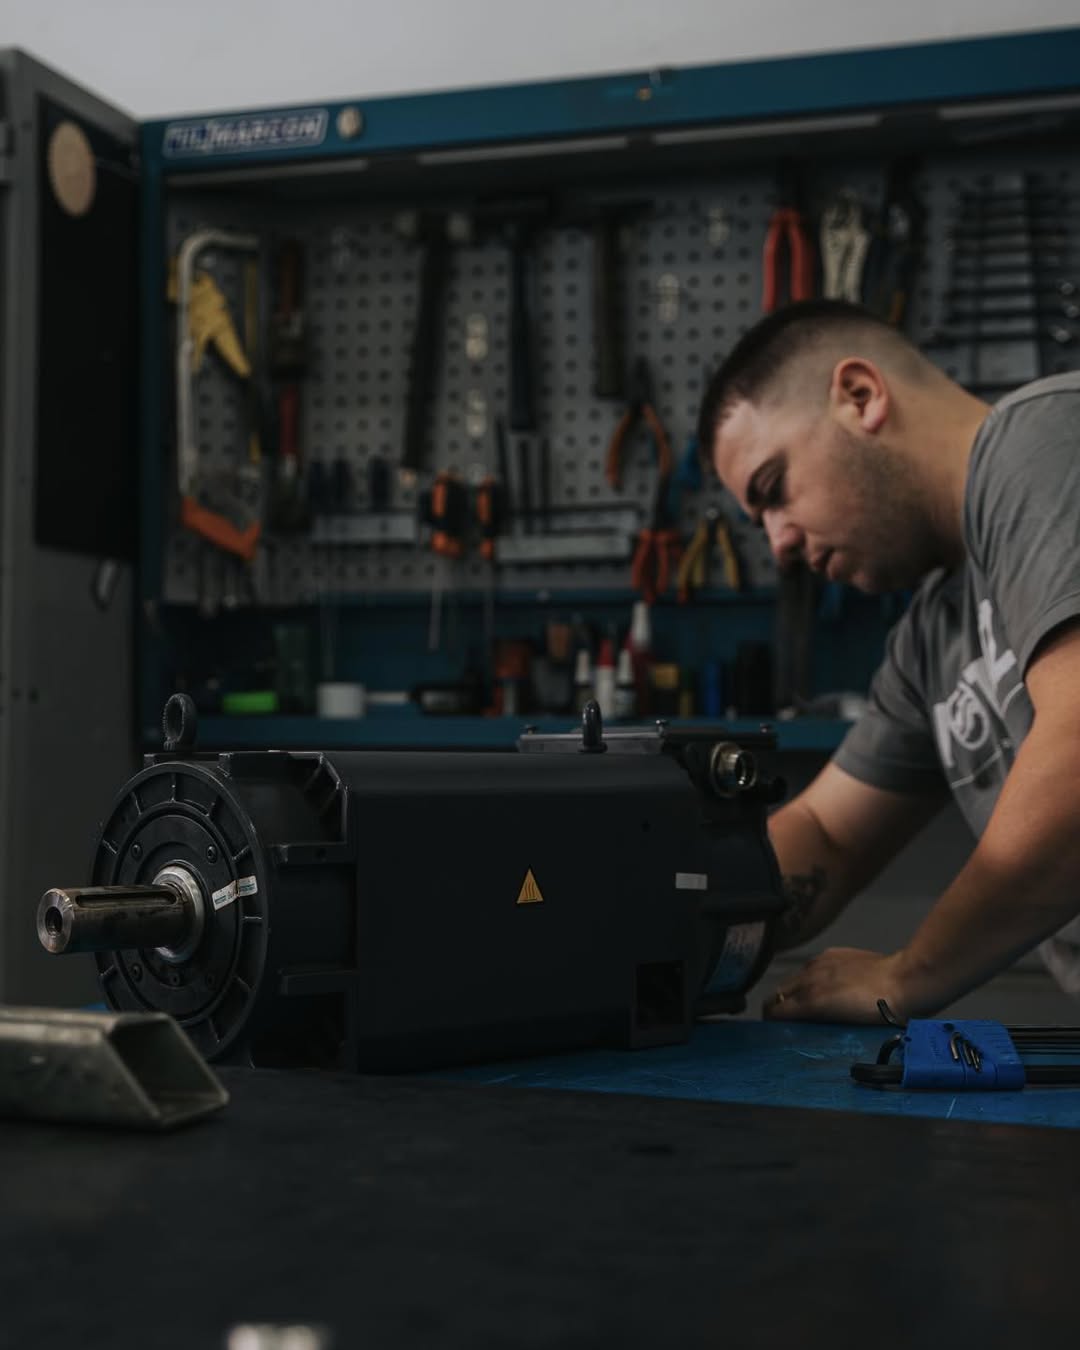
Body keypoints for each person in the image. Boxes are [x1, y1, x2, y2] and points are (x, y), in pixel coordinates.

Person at [696, 298, 1080, 1022]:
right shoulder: (935, 633)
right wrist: (664, 904)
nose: (776, 544)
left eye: (774, 490)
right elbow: (832, 837)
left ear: (860, 396)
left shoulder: (1047, 438)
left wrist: (909, 974)